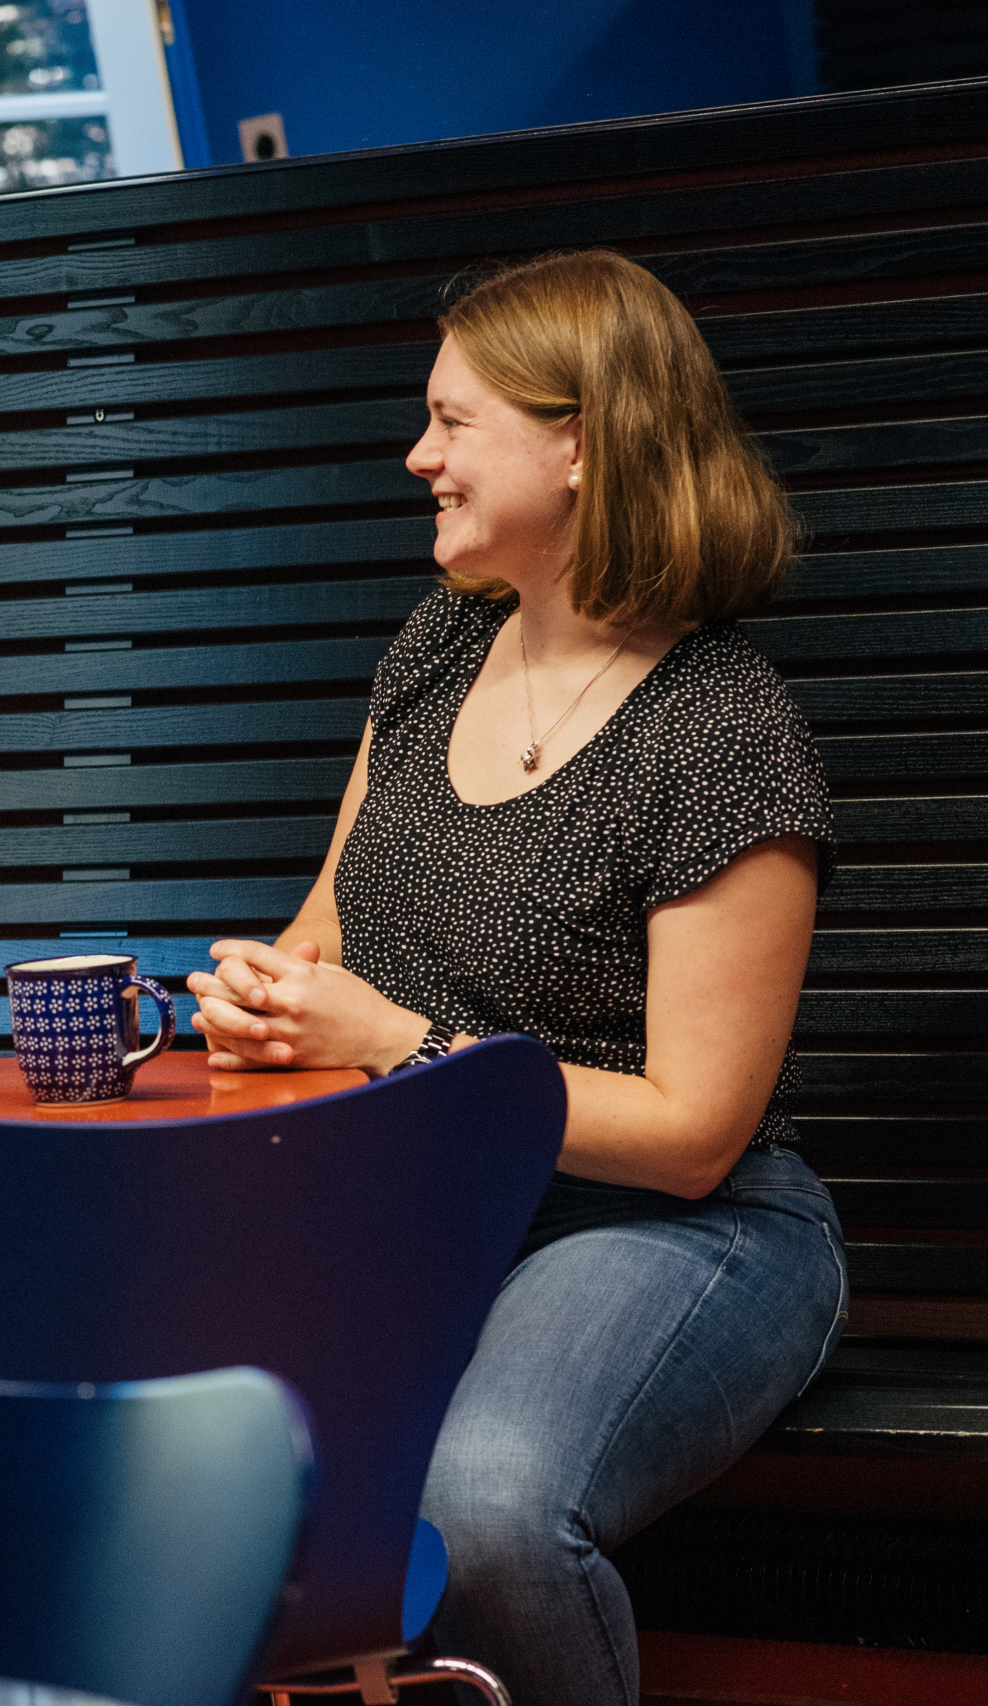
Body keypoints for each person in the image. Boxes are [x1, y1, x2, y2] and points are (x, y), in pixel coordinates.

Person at [182, 250, 842, 1706]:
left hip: (676, 1229)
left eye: (452, 420)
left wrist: (400, 1044)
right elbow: (325, 939)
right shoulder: (437, 648)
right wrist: (259, 996)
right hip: (423, 1202)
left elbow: (693, 1128)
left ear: (583, 441)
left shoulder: (723, 727)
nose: (419, 455)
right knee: (164, 1438)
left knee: (484, 1503)